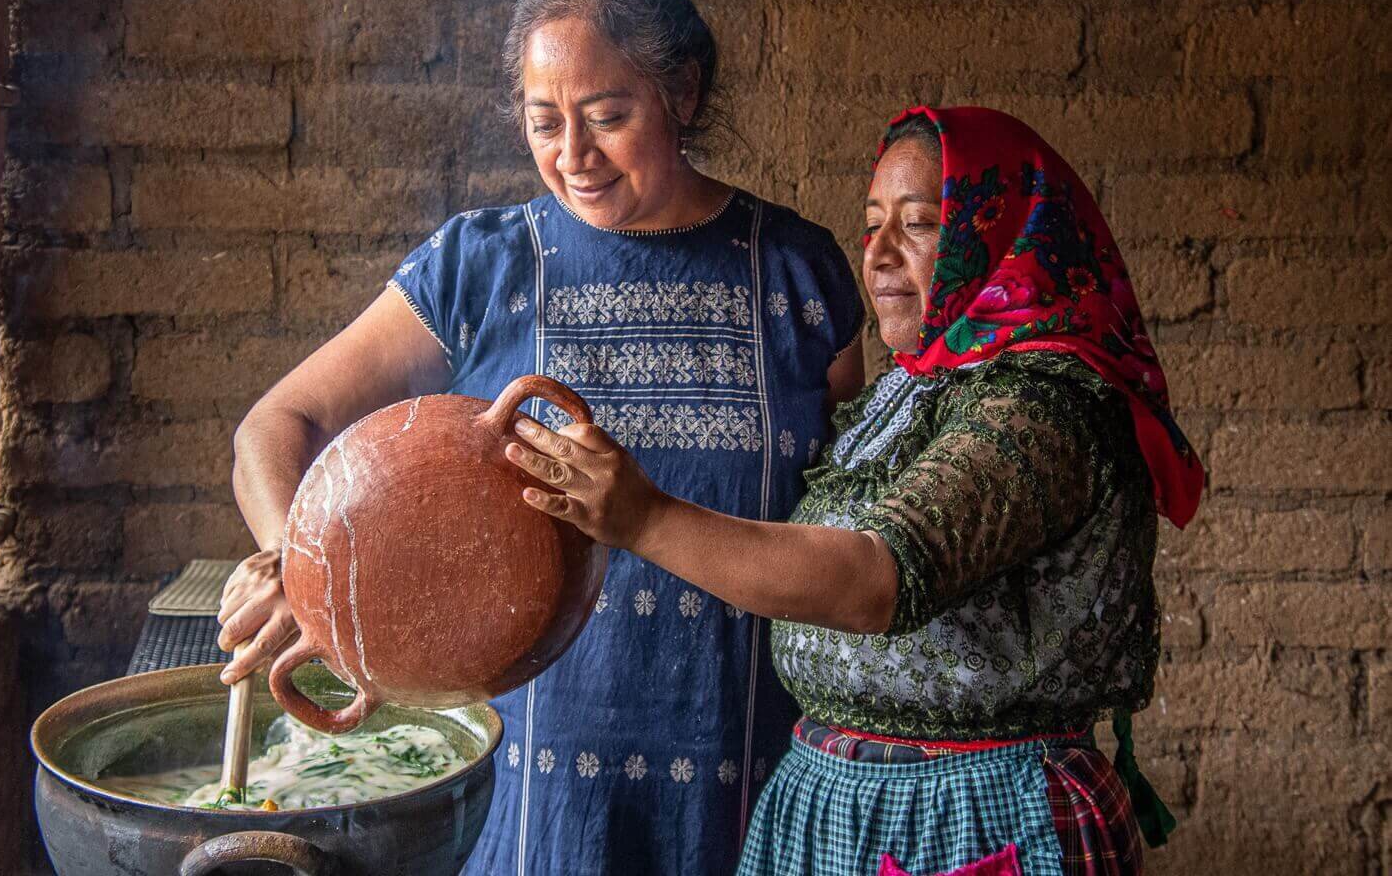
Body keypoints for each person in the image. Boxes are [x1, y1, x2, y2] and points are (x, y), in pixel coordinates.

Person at [216, 0, 864, 875]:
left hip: (750, 769)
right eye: (543, 121)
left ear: (681, 91)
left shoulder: (797, 274)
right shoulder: (482, 267)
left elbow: (846, 515)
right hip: (528, 791)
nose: (575, 156)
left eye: (607, 116)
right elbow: (277, 423)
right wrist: (292, 557)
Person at [506, 105, 1203, 876]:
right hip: (839, 810)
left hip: (975, 822)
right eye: (873, 225)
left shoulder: (1044, 405)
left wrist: (645, 518)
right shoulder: (907, 393)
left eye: (922, 224)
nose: (878, 254)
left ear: (1008, 237)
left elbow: (879, 576)